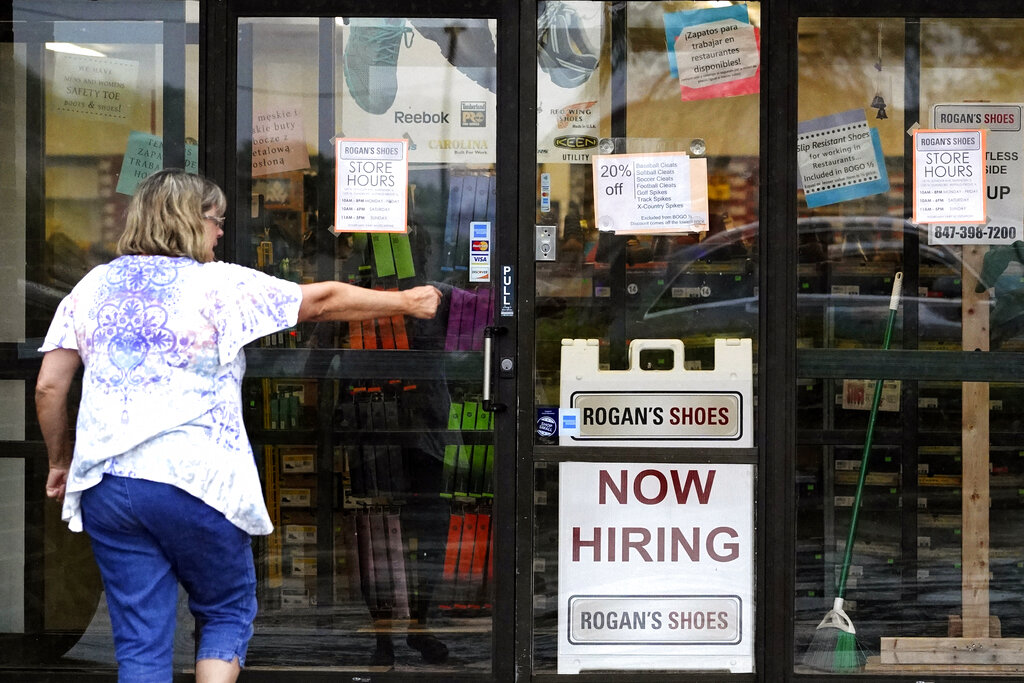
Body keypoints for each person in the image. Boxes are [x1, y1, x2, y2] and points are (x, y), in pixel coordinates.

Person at [34, 168, 442, 683]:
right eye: (216, 220)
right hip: (197, 482)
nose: (221, 232)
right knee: (225, 609)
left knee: (140, 644)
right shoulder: (218, 284)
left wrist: (59, 461)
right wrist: (407, 302)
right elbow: (320, 302)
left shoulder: (92, 286)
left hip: (110, 487)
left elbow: (50, 386)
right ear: (187, 221)